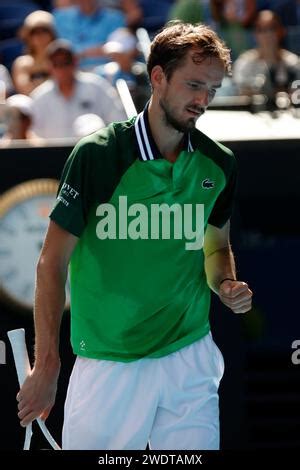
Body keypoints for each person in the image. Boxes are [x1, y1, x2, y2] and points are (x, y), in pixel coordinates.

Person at [16, 21, 252, 450]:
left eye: (213, 89)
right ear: (158, 77)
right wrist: (47, 364)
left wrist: (225, 282)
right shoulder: (97, 156)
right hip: (109, 364)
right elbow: (52, 263)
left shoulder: (220, 164)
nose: (203, 100)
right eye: (194, 85)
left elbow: (216, 243)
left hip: (190, 359)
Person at [30, 39, 127, 138]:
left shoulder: (97, 86)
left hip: (94, 152)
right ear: (49, 67)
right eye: (56, 64)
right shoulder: (39, 97)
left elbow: (118, 122)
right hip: (51, 153)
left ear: (75, 62)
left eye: (66, 62)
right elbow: (32, 136)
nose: (61, 69)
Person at [233, 10, 300, 107]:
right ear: (255, 34)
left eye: (272, 28)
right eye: (261, 29)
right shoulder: (245, 62)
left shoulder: (293, 62)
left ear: (281, 31)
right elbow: (241, 95)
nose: (267, 34)